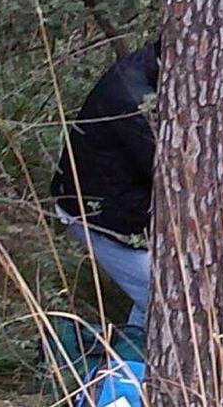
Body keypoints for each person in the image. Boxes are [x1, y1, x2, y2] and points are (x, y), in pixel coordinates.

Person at [50, 39, 159, 328]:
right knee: (162, 299)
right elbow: (163, 168)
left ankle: (134, 358)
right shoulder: (134, 100)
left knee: (155, 298)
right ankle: (137, 363)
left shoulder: (147, 70)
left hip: (119, 205)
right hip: (101, 215)